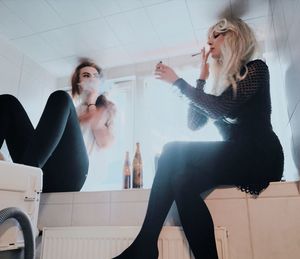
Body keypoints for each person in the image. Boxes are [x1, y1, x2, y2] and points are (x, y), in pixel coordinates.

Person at [112, 17, 284, 259]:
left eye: (216, 35)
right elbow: (194, 124)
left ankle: (145, 245)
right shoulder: (220, 86)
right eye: (208, 37)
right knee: (182, 181)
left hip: (260, 154)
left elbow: (220, 109)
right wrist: (201, 79)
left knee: (171, 151)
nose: (209, 41)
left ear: (234, 36)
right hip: (238, 154)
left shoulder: (256, 69)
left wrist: (177, 83)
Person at [0, 59, 116, 193]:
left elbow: (105, 141)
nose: (91, 79)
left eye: (95, 76)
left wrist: (92, 101)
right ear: (78, 83)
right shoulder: (71, 110)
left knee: (61, 97)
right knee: (7, 102)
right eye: (86, 76)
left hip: (74, 175)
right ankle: (26, 172)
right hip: (45, 168)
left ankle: (27, 175)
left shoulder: (105, 108)